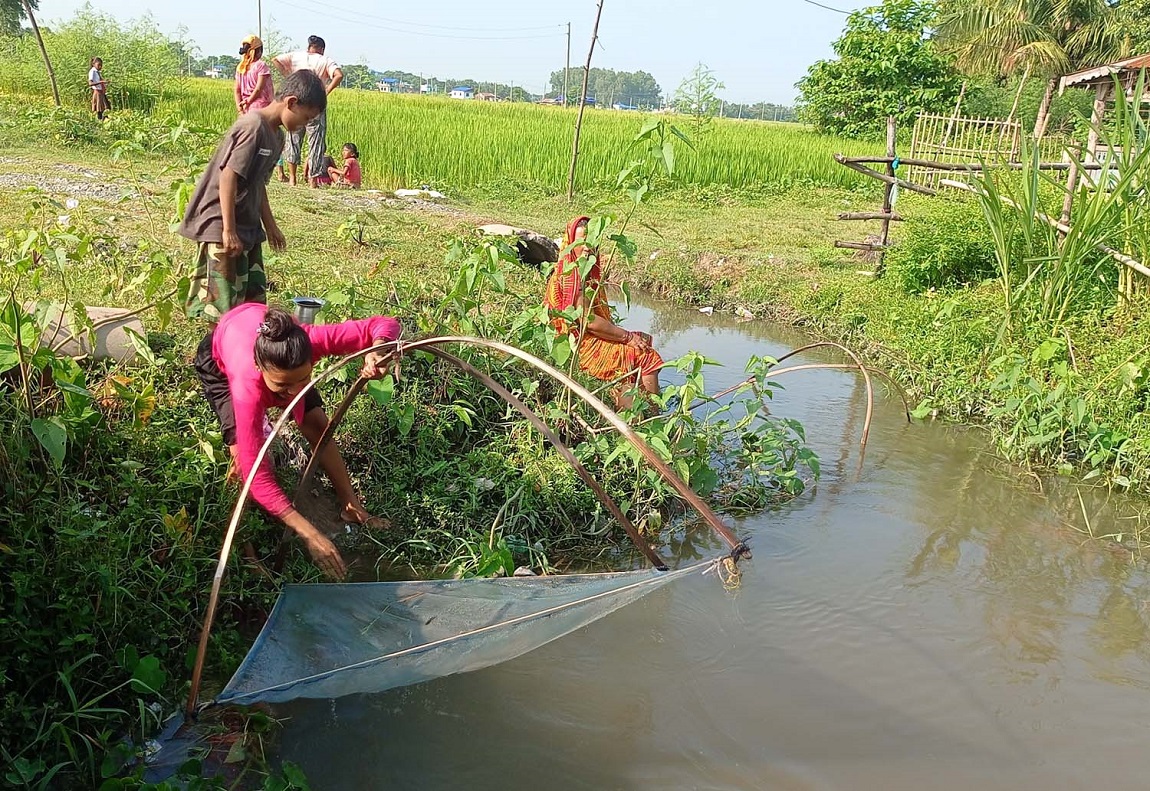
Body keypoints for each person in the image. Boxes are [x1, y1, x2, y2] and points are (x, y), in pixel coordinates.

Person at [194, 303, 401, 579]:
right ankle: (249, 554)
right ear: (260, 368)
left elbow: (384, 324)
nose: (294, 392)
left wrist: (377, 351)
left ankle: (353, 509)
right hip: (220, 357)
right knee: (243, 463)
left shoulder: (305, 343)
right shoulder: (247, 387)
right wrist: (310, 534)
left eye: (303, 378)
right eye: (282, 386)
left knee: (317, 425)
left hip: (270, 345)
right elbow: (257, 476)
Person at [179, 70, 328, 323]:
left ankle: (246, 342)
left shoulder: (277, 136)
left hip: (247, 224)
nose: (304, 125)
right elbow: (228, 176)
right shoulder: (253, 127)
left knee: (252, 300)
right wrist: (228, 230)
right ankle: (217, 350)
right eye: (305, 119)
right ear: (291, 102)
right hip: (221, 222)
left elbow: (258, 184)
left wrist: (271, 226)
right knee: (221, 303)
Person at [544, 216, 663, 410]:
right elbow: (586, 320)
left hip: (586, 337)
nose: (587, 248)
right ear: (570, 243)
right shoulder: (570, 276)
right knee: (644, 355)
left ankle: (641, 408)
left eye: (592, 242)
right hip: (578, 343)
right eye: (581, 242)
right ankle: (652, 415)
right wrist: (626, 337)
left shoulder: (586, 273)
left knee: (642, 340)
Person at [273, 35, 343, 188]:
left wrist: (290, 78)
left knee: (293, 138)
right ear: (322, 49)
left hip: (297, 101)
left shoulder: (296, 55)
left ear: (309, 46)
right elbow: (338, 75)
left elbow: (276, 60)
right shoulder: (325, 60)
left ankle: (292, 178)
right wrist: (326, 91)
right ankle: (313, 181)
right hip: (316, 104)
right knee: (316, 142)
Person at [234, 35, 273, 114]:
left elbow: (237, 90)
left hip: (245, 109)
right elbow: (258, 89)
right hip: (262, 107)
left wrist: (240, 109)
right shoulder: (261, 65)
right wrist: (248, 101)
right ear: (259, 51)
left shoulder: (240, 67)